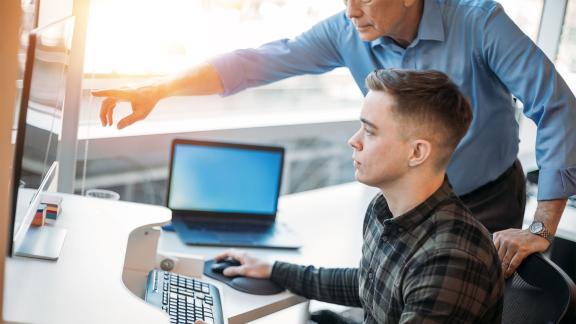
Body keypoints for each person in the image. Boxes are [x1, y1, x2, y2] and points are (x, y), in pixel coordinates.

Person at [93, 0, 576, 277]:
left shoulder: (477, 20)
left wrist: (540, 228)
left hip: (484, 201)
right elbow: (255, 62)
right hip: (405, 204)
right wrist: (160, 89)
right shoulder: (349, 30)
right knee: (383, 295)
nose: (352, 9)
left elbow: (556, 107)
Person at [203, 69, 503, 323]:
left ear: (417, 152)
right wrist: (273, 270)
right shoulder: (384, 209)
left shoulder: (449, 259)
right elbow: (367, 283)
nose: (353, 141)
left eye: (370, 132)